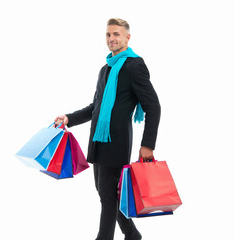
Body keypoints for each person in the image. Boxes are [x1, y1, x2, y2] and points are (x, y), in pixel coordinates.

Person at [54, 18, 161, 240]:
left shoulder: (134, 66)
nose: (111, 39)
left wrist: (148, 145)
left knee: (107, 197)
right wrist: (68, 118)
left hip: (117, 142)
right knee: (110, 194)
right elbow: (96, 107)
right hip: (98, 142)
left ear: (127, 38)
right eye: (108, 35)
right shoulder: (105, 69)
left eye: (116, 34)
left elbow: (154, 106)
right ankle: (132, 235)